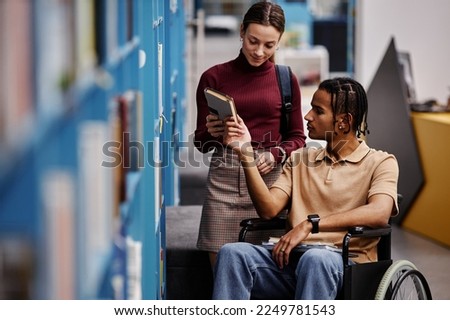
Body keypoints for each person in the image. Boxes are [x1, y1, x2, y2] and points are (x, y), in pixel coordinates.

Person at [213, 77, 399, 299]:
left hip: (345, 265)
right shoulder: (300, 159)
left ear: (344, 122)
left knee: (316, 259)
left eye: (318, 111)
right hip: (292, 260)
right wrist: (245, 154)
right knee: (232, 254)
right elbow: (268, 209)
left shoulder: (381, 162)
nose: (307, 116)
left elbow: (379, 213)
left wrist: (311, 225)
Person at [194, 1, 306, 267]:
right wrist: (214, 134)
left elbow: (298, 136)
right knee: (223, 275)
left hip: (271, 184)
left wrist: (276, 153)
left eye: (269, 45)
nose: (259, 52)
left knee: (272, 273)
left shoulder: (286, 79)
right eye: (253, 41)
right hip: (224, 181)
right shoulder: (213, 77)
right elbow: (200, 142)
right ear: (242, 31)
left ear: (279, 41)